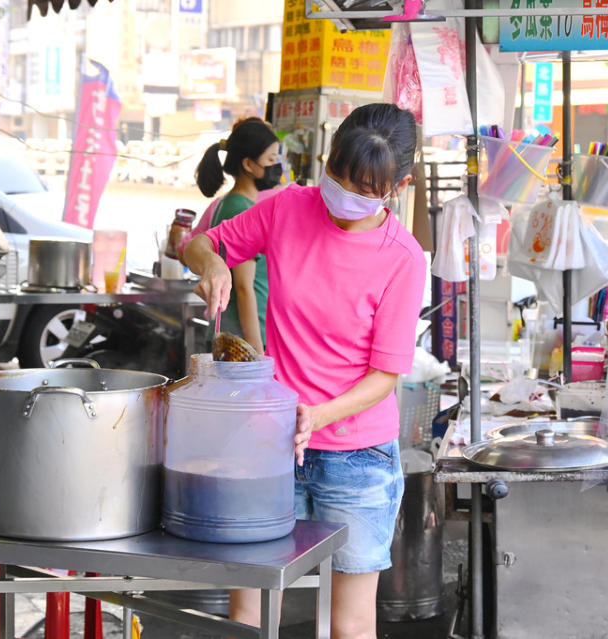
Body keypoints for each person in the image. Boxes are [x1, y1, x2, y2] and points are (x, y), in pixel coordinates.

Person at [184, 104, 426, 639]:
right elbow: (198, 243)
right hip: (269, 443)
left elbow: (385, 375)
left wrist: (317, 415)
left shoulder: (403, 258)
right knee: (248, 611)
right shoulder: (288, 208)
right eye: (339, 178)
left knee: (349, 624)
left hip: (357, 458)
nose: (345, 198)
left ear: (399, 185)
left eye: (365, 189)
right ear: (325, 160)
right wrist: (215, 263)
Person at [193, 118, 281, 354]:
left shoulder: (230, 203)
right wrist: (256, 353)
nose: (277, 166)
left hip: (237, 334)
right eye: (271, 159)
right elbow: (243, 287)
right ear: (249, 165)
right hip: (241, 340)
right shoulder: (240, 209)